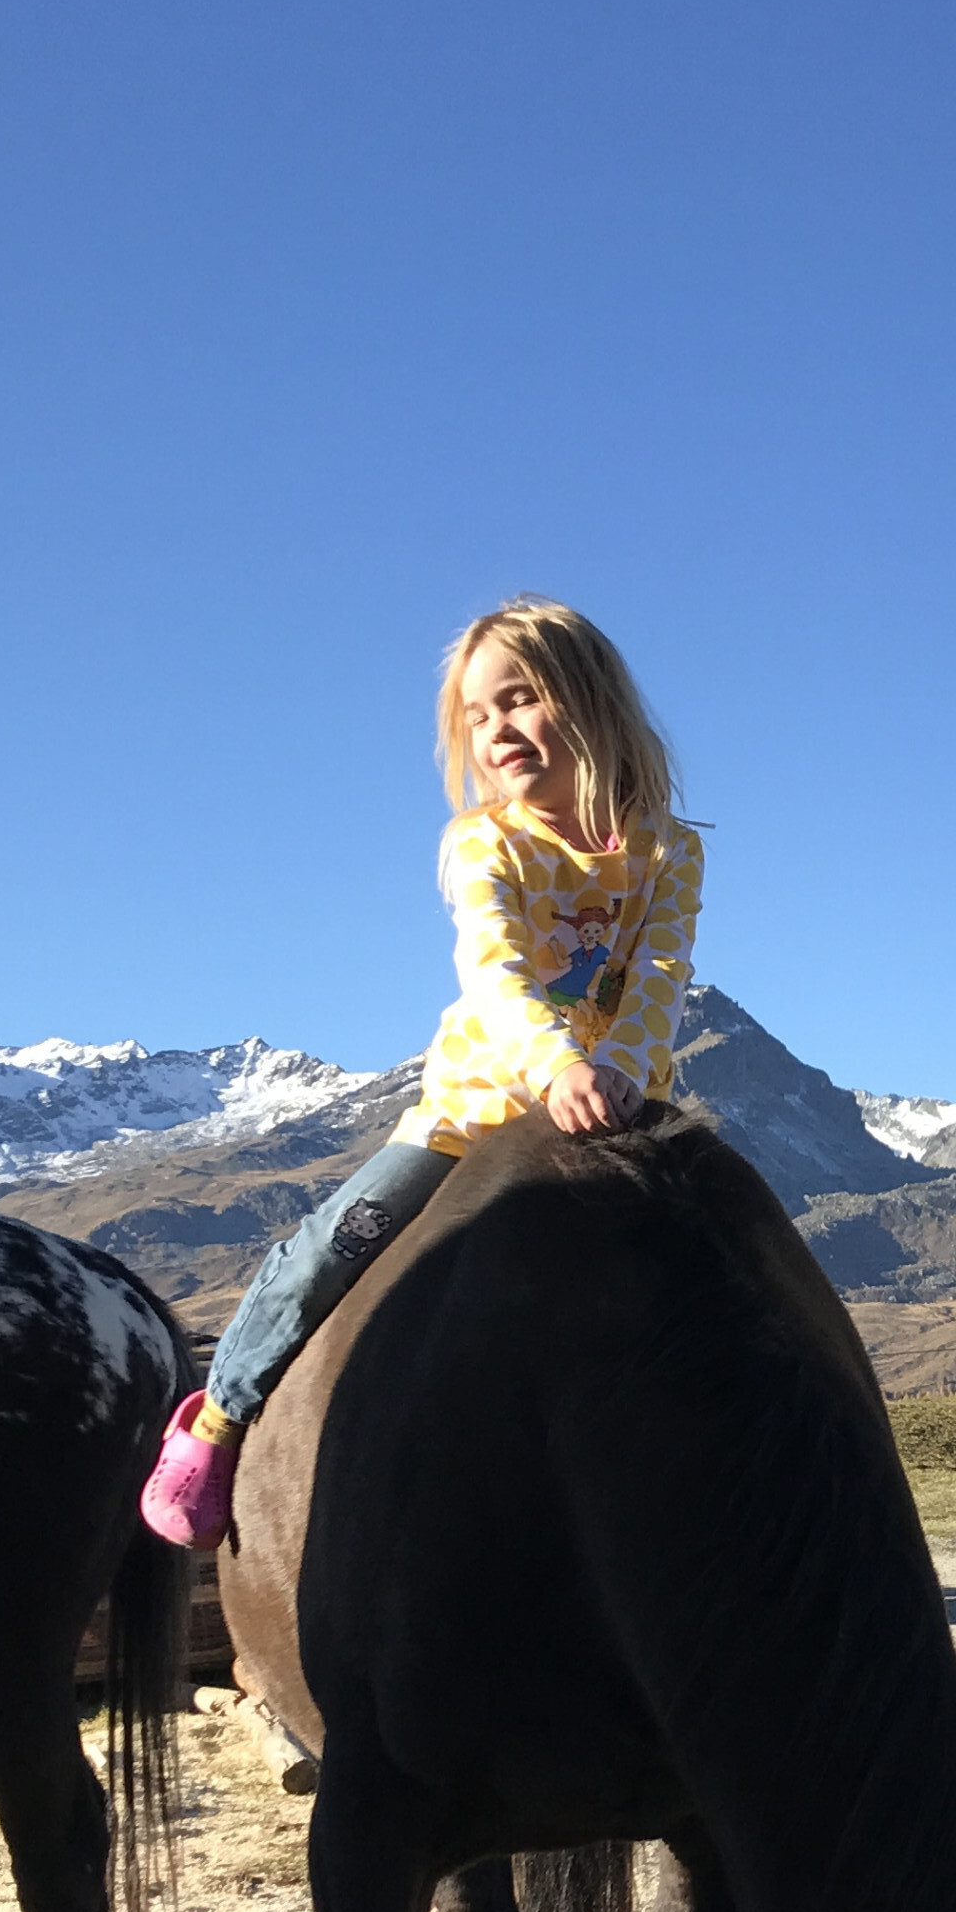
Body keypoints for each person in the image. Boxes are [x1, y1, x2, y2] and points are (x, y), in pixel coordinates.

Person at [139, 598, 702, 1549]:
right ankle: (221, 1422)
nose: (496, 731)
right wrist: (559, 1062)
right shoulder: (486, 843)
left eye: (519, 700)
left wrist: (611, 1070)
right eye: (476, 717)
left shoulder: (668, 851)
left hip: (613, 1101)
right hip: (472, 1117)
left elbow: (660, 972)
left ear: (589, 700)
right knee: (329, 1247)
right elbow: (496, 972)